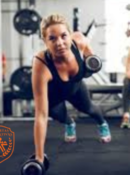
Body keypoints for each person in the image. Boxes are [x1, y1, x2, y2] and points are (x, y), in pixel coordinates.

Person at [32, 14, 111, 163]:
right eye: (52, 38)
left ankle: (102, 123)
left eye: (63, 36)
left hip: (75, 88)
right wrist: (39, 158)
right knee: (57, 115)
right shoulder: (41, 63)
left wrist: (89, 60)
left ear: (70, 35)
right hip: (53, 95)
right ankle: (69, 123)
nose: (60, 43)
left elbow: (90, 55)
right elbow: (41, 115)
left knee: (90, 109)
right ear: (45, 41)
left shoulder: (79, 41)